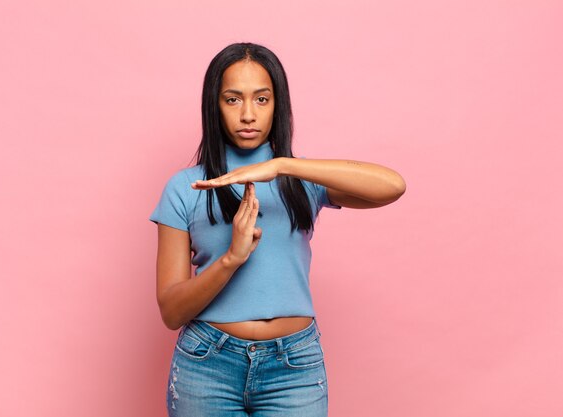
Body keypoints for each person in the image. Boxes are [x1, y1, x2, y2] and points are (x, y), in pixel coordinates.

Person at [150, 42, 406, 417]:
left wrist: (283, 165)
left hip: (293, 369)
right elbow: (171, 312)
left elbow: (392, 186)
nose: (248, 114)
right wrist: (231, 259)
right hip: (207, 366)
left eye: (262, 99)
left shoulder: (299, 180)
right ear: (214, 105)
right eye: (233, 100)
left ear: (278, 104)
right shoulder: (185, 188)